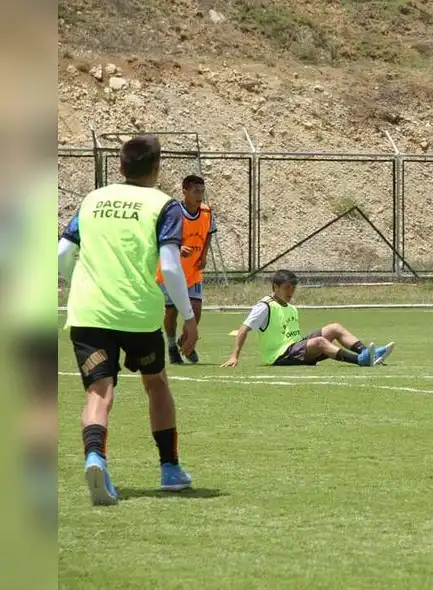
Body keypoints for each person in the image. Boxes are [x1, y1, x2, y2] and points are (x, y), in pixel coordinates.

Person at [57, 134, 197, 505]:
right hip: (138, 314)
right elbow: (169, 265)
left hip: (89, 311)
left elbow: (61, 255)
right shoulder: (163, 205)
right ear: (156, 168)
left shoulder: (92, 200)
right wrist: (188, 316)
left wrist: (83, 287)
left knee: (99, 392)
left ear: (119, 166)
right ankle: (170, 470)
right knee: (157, 384)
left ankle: (95, 458)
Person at [222, 270, 395, 368]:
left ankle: (367, 354)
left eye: (293, 288)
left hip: (295, 349)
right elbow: (244, 328)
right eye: (286, 288)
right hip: (279, 356)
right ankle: (360, 361)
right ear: (275, 287)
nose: (290, 292)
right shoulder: (264, 306)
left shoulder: (291, 307)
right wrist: (234, 356)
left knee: (334, 327)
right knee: (319, 341)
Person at [155, 174, 216, 365]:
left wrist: (204, 255)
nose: (199, 196)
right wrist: (178, 248)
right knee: (171, 312)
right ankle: (172, 346)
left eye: (202, 191)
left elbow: (208, 234)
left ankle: (186, 343)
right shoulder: (174, 212)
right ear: (185, 192)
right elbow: (160, 237)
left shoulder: (206, 212)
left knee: (195, 312)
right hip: (171, 272)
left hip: (193, 272)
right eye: (195, 191)